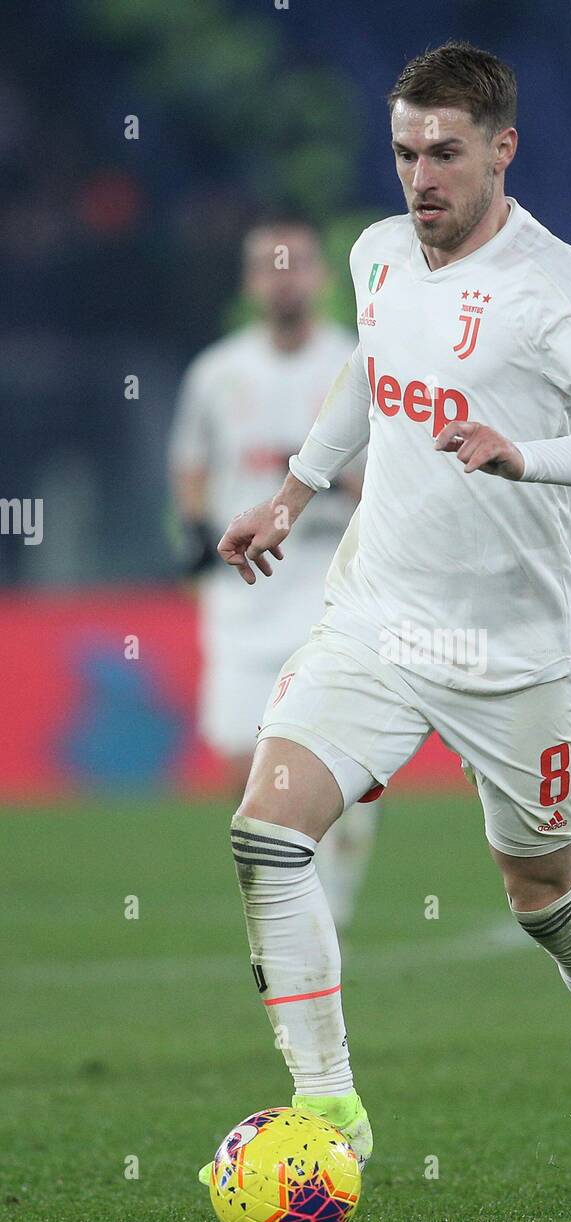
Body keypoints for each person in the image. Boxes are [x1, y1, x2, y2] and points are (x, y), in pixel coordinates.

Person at [214, 43, 571, 1182]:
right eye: (405, 151)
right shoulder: (374, 255)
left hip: (510, 651)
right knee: (266, 835)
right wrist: (295, 491)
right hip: (375, 614)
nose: (421, 175)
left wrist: (527, 456)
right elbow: (373, 370)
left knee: (543, 894)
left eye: (446, 153)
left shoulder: (551, 290)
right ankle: (331, 1115)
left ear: (501, 150)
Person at [169, 216, 378, 929]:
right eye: (267, 265)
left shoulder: (356, 362)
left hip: (330, 584)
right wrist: (196, 529)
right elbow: (192, 462)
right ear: (250, 282)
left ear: (321, 276)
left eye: (295, 264)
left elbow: (392, 466)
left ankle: (327, 913)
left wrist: (359, 492)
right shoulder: (217, 373)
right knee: (239, 760)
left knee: (331, 757)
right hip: (243, 594)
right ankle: (290, 894)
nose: (283, 276)